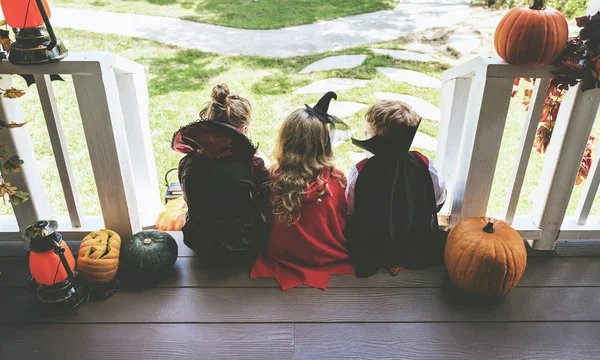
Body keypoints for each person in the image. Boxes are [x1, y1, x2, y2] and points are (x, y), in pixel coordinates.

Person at [251, 91, 353, 291]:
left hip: (282, 254)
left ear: (285, 141)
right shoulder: (337, 180)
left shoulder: (271, 179)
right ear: (323, 144)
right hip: (328, 255)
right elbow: (344, 218)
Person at [344, 100, 447, 278]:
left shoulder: (360, 171)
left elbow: (350, 208)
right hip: (413, 240)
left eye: (367, 133)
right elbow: (438, 197)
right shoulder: (423, 164)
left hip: (374, 242)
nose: (364, 134)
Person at [171, 84, 270, 267]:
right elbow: (267, 202)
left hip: (199, 244)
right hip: (242, 247)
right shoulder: (253, 166)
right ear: (244, 129)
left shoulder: (188, 163)